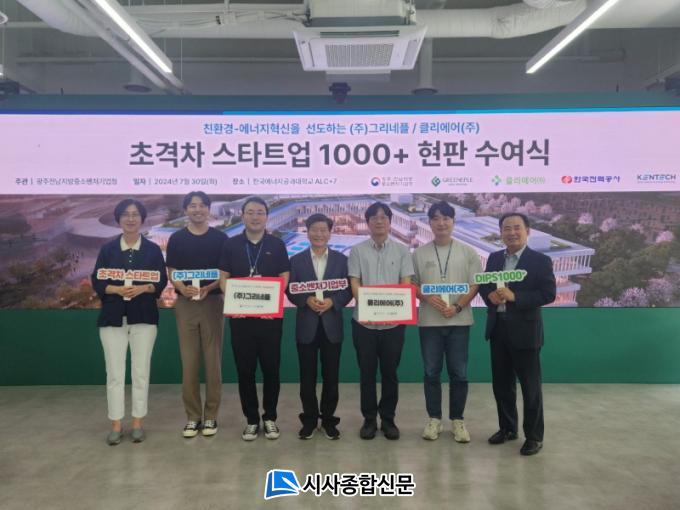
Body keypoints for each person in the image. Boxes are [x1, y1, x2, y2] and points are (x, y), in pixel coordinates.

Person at [478, 212, 556, 456]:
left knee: (530, 388)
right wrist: (489, 296)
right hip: (498, 329)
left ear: (527, 231)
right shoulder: (494, 258)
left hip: (526, 332)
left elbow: (548, 294)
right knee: (502, 385)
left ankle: (534, 436)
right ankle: (508, 429)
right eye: (507, 228)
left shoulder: (540, 261)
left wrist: (516, 297)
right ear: (501, 233)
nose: (512, 232)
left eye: (517, 227)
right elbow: (485, 286)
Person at [91, 199, 167, 445]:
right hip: (112, 318)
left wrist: (144, 288)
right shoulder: (108, 249)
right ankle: (116, 423)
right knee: (114, 373)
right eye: (126, 214)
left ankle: (137, 422)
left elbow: (161, 281)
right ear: (118, 219)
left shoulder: (152, 250)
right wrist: (116, 289)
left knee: (140, 372)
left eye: (135, 214)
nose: (131, 219)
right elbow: (98, 281)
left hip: (144, 317)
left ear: (142, 219)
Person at [219, 197, 290, 441]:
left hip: (269, 320)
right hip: (241, 320)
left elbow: (284, 274)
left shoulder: (276, 244)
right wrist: (233, 301)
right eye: (250, 212)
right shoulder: (231, 244)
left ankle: (270, 418)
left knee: (271, 370)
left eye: (260, 212)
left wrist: (273, 300)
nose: (255, 217)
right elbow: (223, 277)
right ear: (243, 216)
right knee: (245, 371)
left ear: (266, 217)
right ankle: (251, 419)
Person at [412, 201, 481, 442]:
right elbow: (412, 284)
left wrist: (458, 306)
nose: (441, 223)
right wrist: (426, 297)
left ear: (453, 221)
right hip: (429, 323)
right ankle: (434, 419)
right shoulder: (419, 253)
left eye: (446, 218)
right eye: (436, 218)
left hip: (459, 323)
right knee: (431, 372)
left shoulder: (468, 252)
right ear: (430, 223)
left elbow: (475, 284)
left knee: (459, 373)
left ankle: (457, 421)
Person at [348, 202, 414, 440]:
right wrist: (371, 308)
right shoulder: (357, 251)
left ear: (390, 221)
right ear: (367, 222)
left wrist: (390, 310)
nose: (379, 221)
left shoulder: (402, 251)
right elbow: (355, 282)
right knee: (366, 373)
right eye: (374, 217)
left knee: (390, 373)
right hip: (364, 324)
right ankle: (369, 420)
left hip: (393, 325)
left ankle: (388, 419)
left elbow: (406, 283)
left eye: (384, 217)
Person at [166, 191, 227, 438]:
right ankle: (193, 417)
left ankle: (211, 416)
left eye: (202, 205)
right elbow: (172, 270)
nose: (198, 209)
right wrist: (182, 288)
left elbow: (224, 273)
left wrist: (208, 288)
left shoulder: (220, 238)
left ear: (209, 209)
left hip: (212, 303)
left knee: (213, 363)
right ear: (186, 210)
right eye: (192, 206)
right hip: (185, 305)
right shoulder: (177, 239)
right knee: (189, 363)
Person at [286, 214, 352, 440]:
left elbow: (348, 289)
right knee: (307, 377)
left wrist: (333, 302)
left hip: (332, 325)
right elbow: (290, 289)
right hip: (307, 325)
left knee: (331, 377)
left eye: (324, 230)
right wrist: (306, 300)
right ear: (307, 232)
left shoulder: (342, 260)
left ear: (330, 233)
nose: (319, 234)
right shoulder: (296, 260)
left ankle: (329, 420)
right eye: (314, 229)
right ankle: (309, 420)